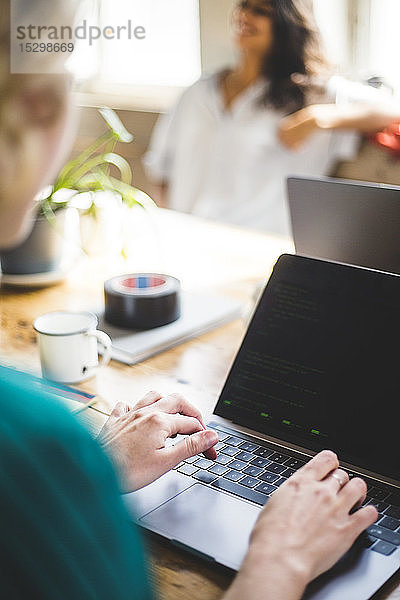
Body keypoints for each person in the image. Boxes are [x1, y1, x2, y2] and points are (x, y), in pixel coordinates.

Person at [0, 1, 378, 598]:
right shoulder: (35, 442)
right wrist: (276, 560)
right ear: (39, 110)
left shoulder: (310, 93)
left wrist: (102, 464)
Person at [144, 0, 400, 236]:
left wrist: (318, 118)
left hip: (261, 247)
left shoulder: (313, 95)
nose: (244, 15)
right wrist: (170, 229)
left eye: (261, 11)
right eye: (244, 5)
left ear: (286, 25)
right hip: (186, 238)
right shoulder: (198, 91)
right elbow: (160, 167)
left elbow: (392, 109)